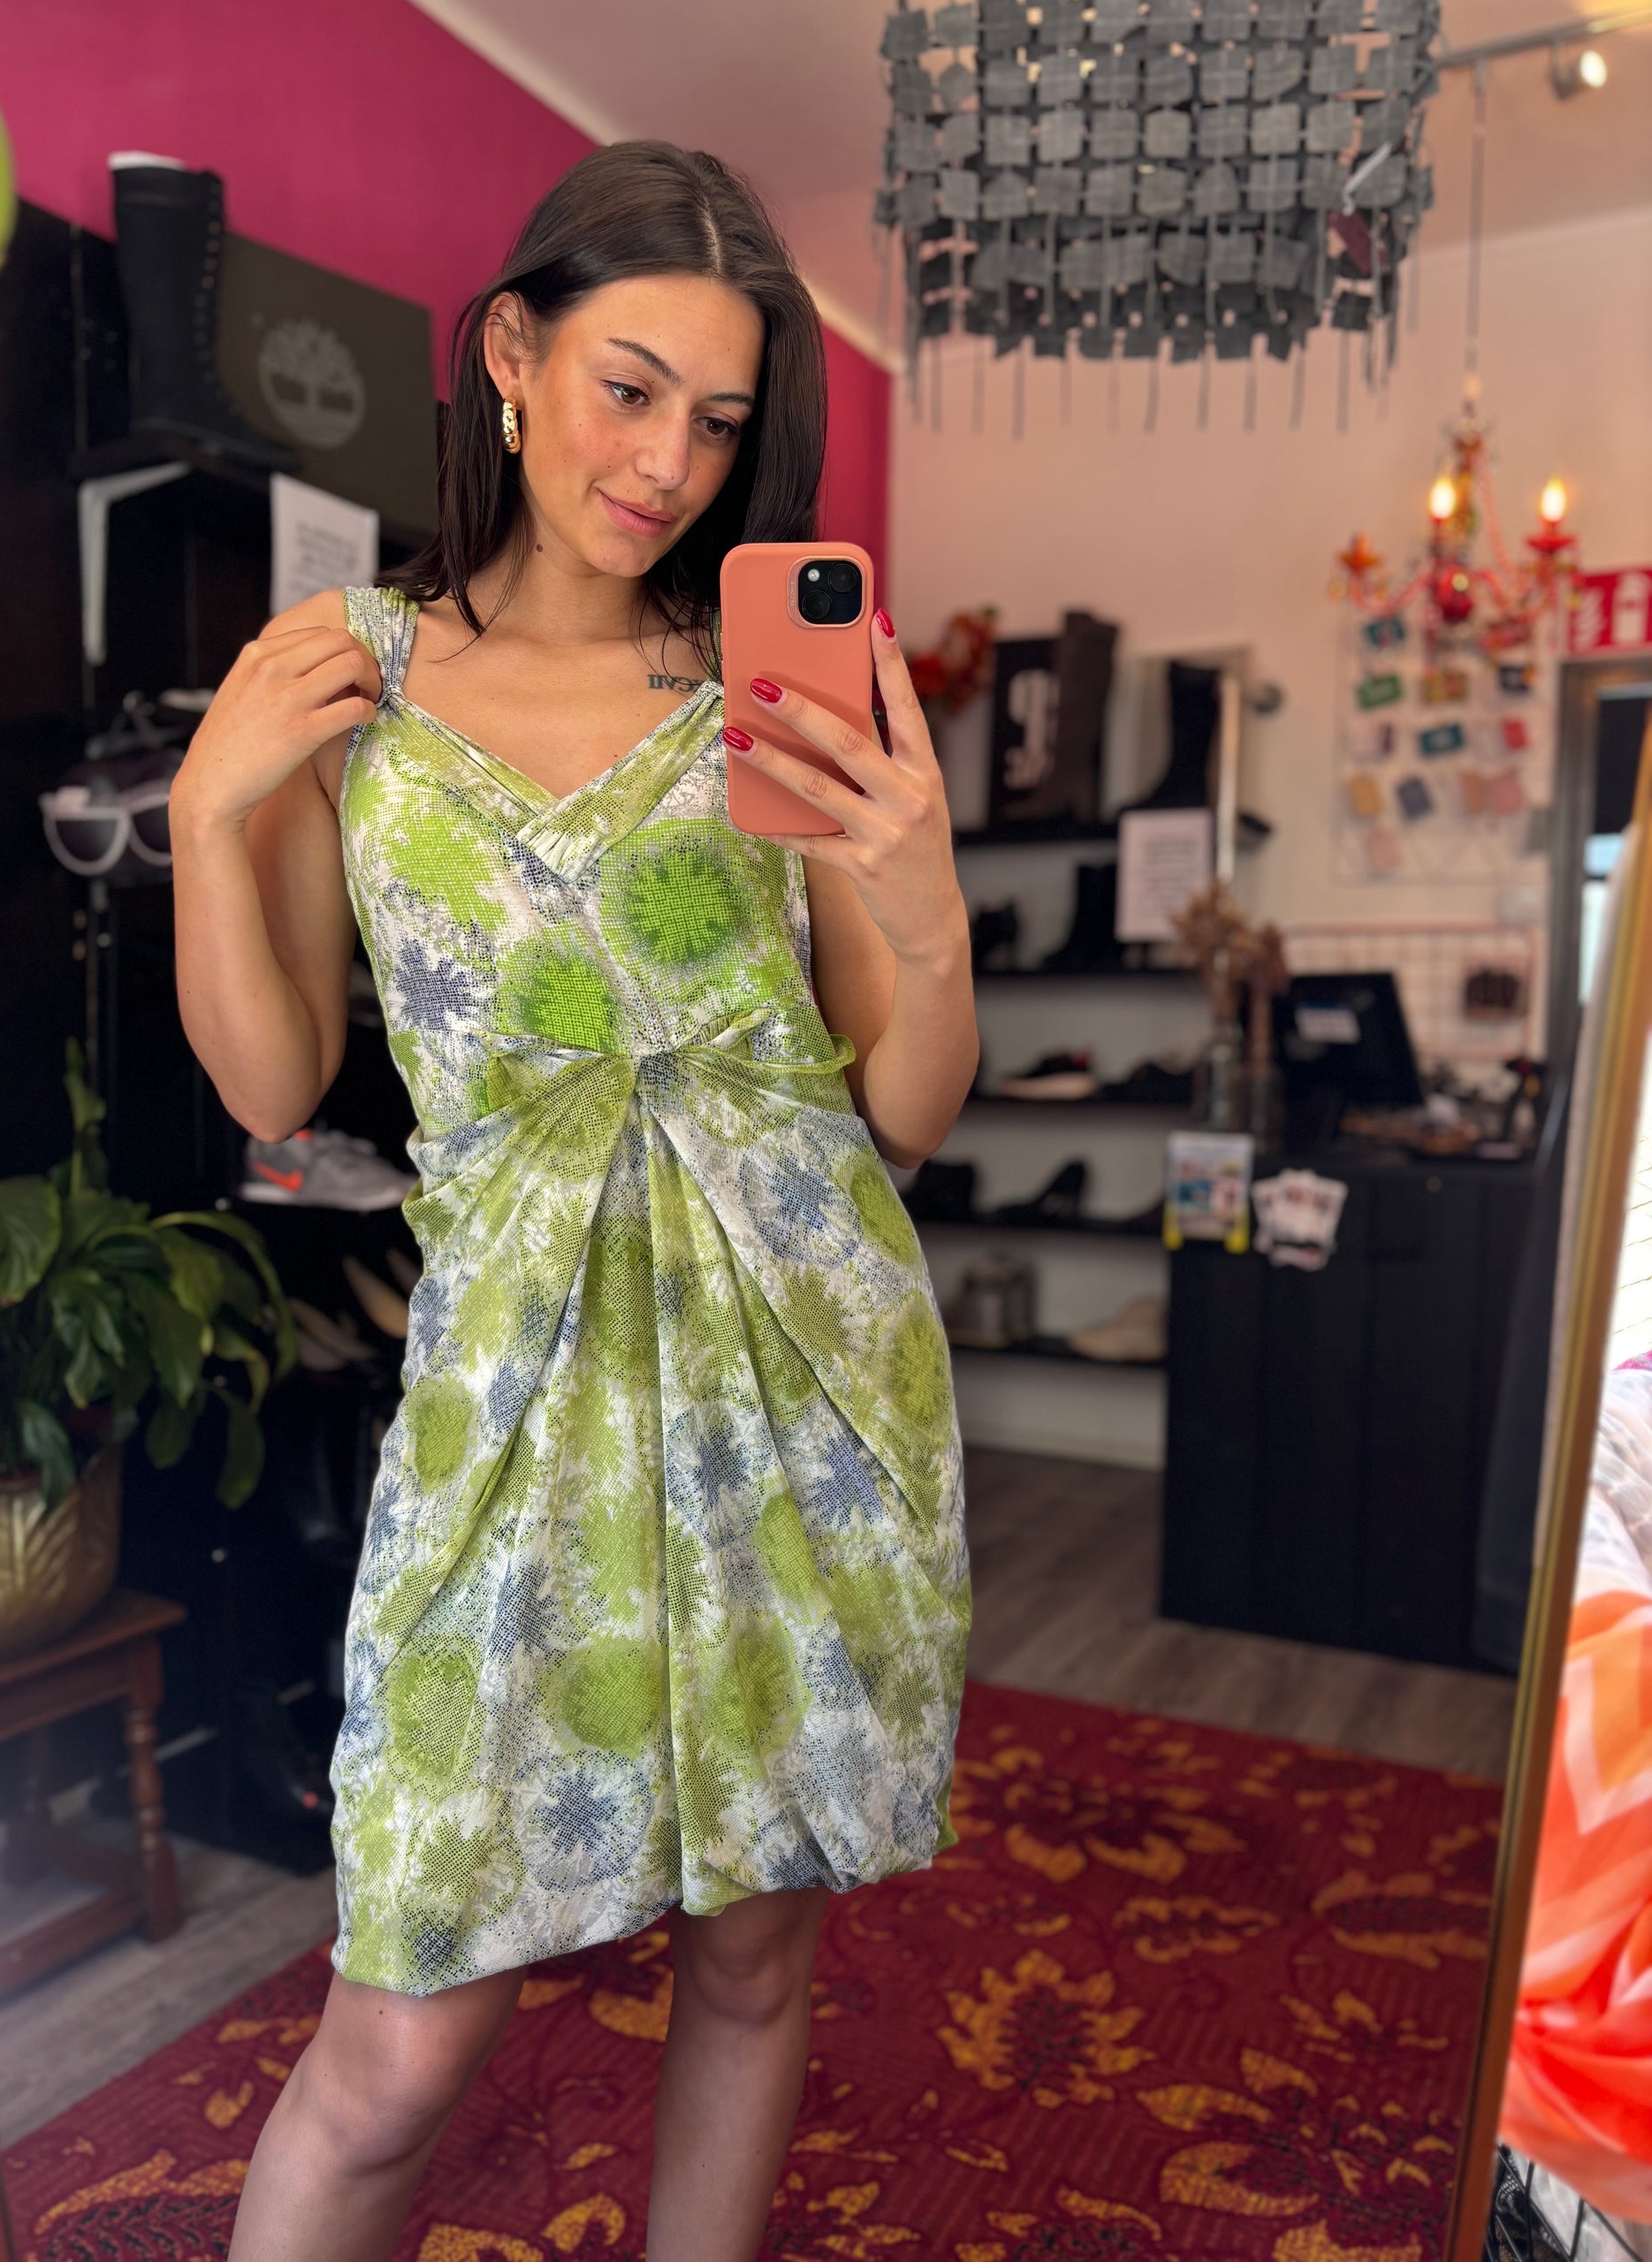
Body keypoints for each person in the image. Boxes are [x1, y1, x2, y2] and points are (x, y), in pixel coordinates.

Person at [169, 140, 977, 2262]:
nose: (668, 464)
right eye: (628, 389)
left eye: (716, 418)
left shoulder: (767, 683)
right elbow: (270, 1079)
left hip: (802, 1370)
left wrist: (921, 904)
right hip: (511, 1393)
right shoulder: (352, 678)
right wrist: (206, 818)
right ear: (512, 358)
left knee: (754, 1951)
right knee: (393, 2040)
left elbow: (903, 1104)